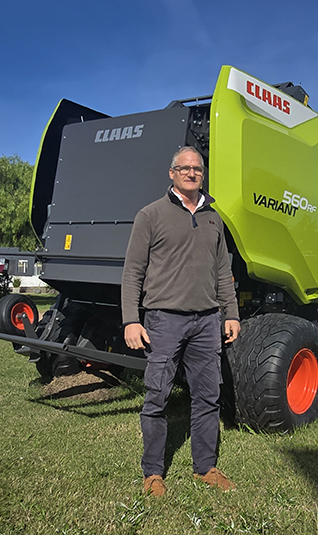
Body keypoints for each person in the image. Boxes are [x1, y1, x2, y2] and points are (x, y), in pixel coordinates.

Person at [121, 146, 241, 497]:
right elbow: (133, 273)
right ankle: (153, 473)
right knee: (157, 395)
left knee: (208, 396)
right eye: (184, 168)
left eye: (197, 169)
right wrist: (131, 320)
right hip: (163, 320)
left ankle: (205, 468)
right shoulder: (151, 215)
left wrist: (230, 313)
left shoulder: (213, 219)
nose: (192, 173)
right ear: (171, 173)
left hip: (207, 322)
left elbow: (223, 272)